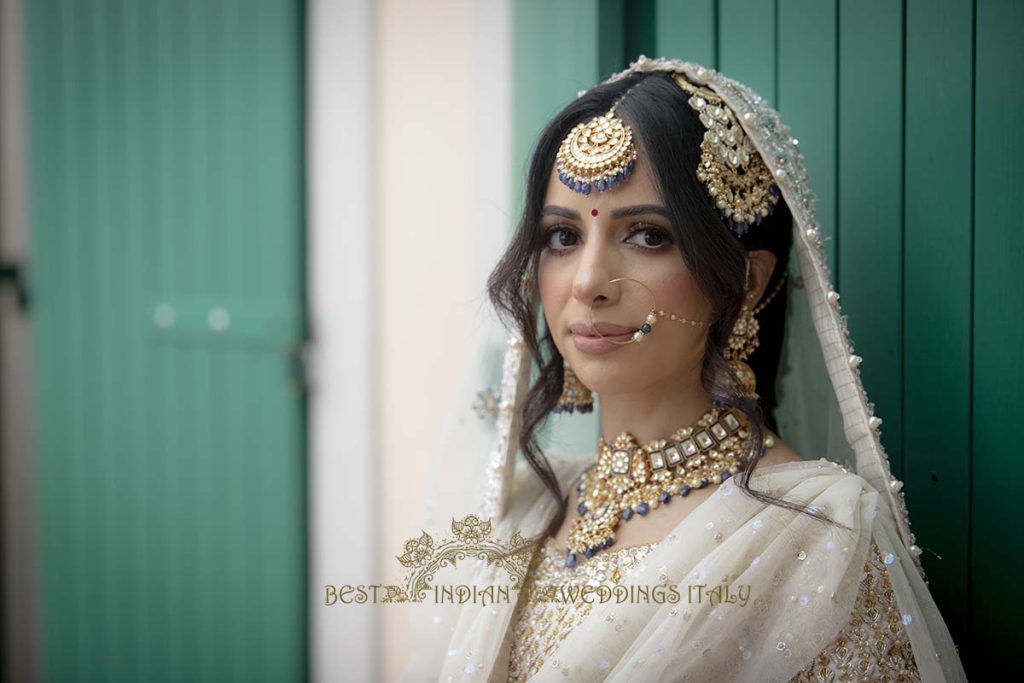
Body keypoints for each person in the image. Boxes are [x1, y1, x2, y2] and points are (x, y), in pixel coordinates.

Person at [400, 56, 967, 682]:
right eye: (562, 238)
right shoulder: (525, 511)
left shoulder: (814, 541)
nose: (588, 283)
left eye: (647, 236)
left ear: (746, 283)